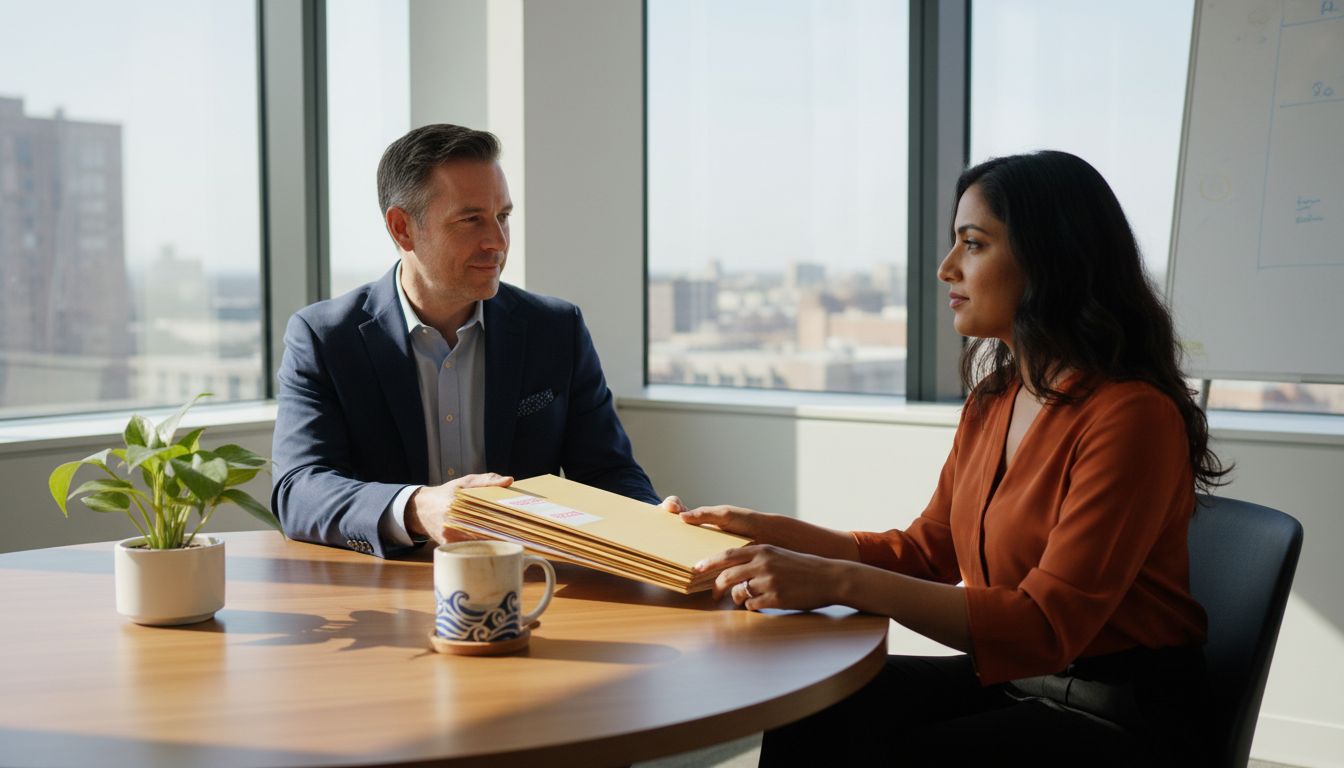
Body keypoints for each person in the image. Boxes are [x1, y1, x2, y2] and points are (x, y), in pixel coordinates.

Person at [679, 151, 1227, 766]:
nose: (946, 269)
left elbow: (1046, 627)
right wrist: (763, 534)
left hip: (1122, 712)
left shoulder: (1132, 416)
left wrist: (836, 580)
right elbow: (926, 553)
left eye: (972, 244)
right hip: (1018, 682)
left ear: (1052, 258)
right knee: (809, 706)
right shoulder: (996, 398)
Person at [272, 124, 676, 557]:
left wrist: (657, 527)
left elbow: (608, 472)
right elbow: (299, 490)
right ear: (402, 227)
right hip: (384, 595)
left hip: (531, 586)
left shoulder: (556, 328)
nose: (497, 243)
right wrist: (417, 507)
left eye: (502, 216)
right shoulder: (324, 338)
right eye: (471, 220)